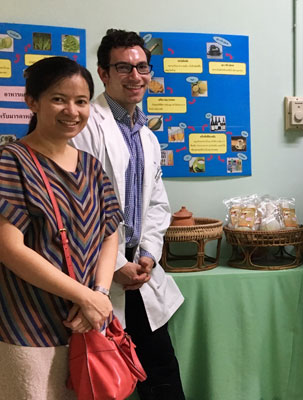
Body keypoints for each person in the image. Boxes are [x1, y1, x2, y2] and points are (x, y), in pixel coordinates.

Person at [71, 29, 185, 400]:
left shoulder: (147, 136)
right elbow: (78, 207)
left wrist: (149, 254)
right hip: (98, 274)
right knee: (104, 381)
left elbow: (157, 204)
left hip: (141, 271)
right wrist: (115, 263)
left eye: (142, 67)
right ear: (103, 73)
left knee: (162, 374)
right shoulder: (86, 126)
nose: (135, 76)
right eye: (123, 67)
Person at [0, 56, 122, 399]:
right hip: (27, 324)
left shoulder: (92, 167)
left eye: (81, 101)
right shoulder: (11, 161)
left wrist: (98, 294)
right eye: (59, 99)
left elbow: (110, 232)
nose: (72, 110)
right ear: (32, 102)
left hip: (85, 322)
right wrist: (85, 296)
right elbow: (9, 248)